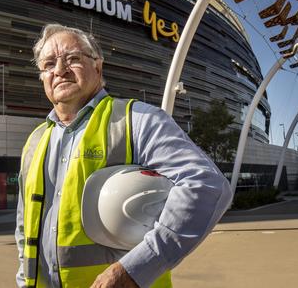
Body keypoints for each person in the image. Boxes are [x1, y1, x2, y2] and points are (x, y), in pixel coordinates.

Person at [15, 24, 233, 288]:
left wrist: (137, 268)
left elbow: (206, 184)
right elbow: (24, 225)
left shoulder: (137, 120)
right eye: (49, 64)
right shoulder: (35, 141)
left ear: (98, 66)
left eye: (72, 59)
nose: (59, 70)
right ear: (42, 77)